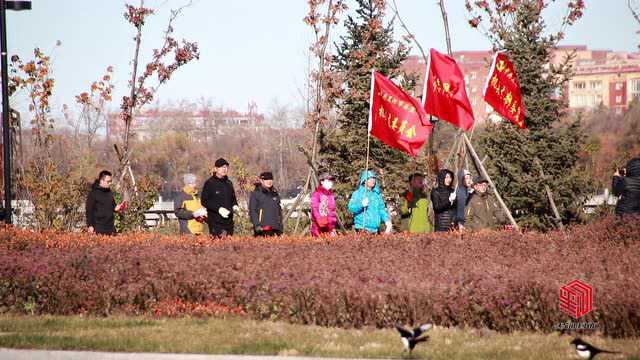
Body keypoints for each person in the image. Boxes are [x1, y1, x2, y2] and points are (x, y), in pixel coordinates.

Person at [201, 158, 240, 237]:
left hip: (229, 222)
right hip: (215, 222)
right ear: (215, 169)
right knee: (218, 246)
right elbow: (204, 201)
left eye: (226, 167)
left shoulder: (229, 183)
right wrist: (219, 209)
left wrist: (235, 205)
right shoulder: (209, 183)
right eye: (222, 167)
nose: (224, 169)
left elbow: (233, 198)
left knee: (229, 246)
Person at [85, 170, 125, 235]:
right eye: (108, 181)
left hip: (110, 228)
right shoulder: (93, 193)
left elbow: (113, 207)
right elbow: (89, 211)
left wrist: (119, 207)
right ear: (101, 181)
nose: (110, 183)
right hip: (97, 228)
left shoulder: (110, 193)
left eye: (110, 181)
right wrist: (90, 225)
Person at [249, 171, 283, 236]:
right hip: (262, 229)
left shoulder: (275, 193)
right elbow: (252, 211)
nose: (269, 181)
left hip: (276, 229)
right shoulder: (256, 194)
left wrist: (280, 226)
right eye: (266, 179)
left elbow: (279, 211)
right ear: (261, 181)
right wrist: (257, 225)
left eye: (270, 179)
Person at [311, 172, 337, 237]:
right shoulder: (317, 194)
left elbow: (332, 211)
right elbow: (315, 208)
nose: (331, 183)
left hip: (330, 227)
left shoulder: (331, 195)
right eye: (328, 180)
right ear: (322, 182)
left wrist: (332, 225)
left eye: (331, 181)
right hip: (319, 228)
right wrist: (320, 220)